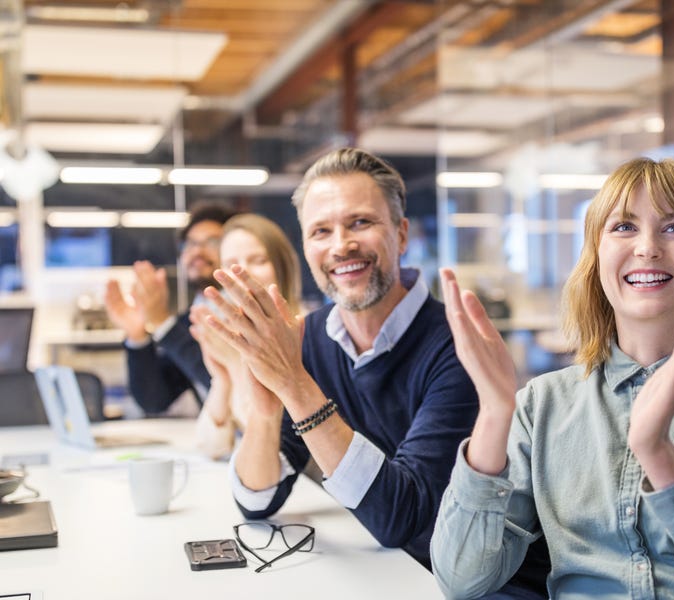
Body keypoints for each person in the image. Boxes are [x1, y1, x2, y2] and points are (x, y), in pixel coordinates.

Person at [431, 157, 674, 599]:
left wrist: (663, 461)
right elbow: (461, 579)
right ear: (596, 258)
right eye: (623, 227)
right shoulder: (542, 405)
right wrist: (494, 414)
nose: (647, 247)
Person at [202, 148, 481, 569]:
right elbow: (257, 500)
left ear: (402, 234)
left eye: (361, 222)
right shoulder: (310, 337)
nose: (341, 246)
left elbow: (402, 519)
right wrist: (264, 413)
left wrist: (296, 385)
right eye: (320, 232)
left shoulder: (459, 346)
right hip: (376, 575)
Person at [104, 202, 237, 415]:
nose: (197, 251)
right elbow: (155, 399)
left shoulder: (244, 315)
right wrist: (137, 336)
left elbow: (229, 386)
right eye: (190, 244)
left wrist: (162, 323)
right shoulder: (191, 319)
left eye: (212, 242)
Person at [190, 213, 302, 460]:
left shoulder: (305, 333)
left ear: (283, 267)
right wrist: (222, 379)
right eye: (231, 264)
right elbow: (211, 448)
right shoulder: (234, 335)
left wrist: (234, 364)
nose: (242, 273)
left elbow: (277, 447)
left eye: (258, 260)